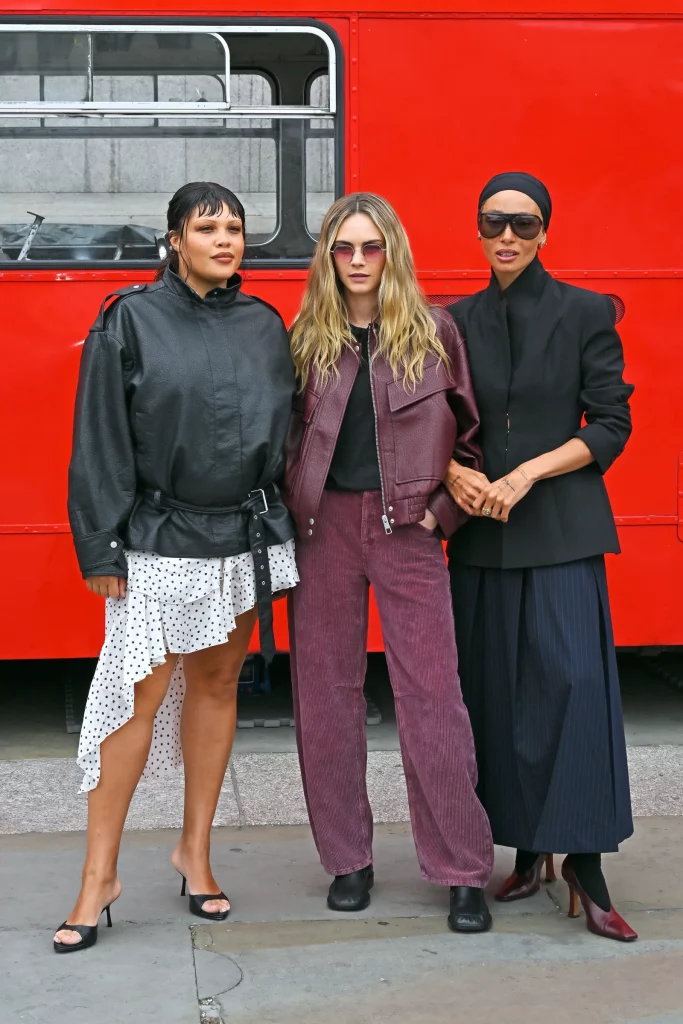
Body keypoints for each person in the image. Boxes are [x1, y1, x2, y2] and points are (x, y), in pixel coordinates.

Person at [54, 182, 297, 953]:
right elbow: (98, 434)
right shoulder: (128, 318)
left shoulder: (265, 324)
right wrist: (100, 545)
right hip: (158, 536)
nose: (225, 240)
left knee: (218, 687)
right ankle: (98, 876)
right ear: (174, 240)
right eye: (206, 227)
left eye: (235, 227)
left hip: (243, 537)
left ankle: (195, 854)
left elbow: (292, 434)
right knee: (135, 700)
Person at [283, 192, 494, 933]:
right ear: (328, 257)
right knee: (326, 698)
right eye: (344, 247)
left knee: (434, 697)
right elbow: (284, 440)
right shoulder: (306, 337)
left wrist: (440, 516)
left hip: (407, 530)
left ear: (392, 252)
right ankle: (348, 860)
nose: (358, 260)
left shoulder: (434, 333)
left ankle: (461, 868)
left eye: (371, 246)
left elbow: (470, 442)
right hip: (323, 532)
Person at [446, 172, 637, 942]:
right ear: (478, 229)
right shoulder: (452, 322)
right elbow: (429, 421)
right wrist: (454, 473)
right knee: (494, 698)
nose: (507, 236)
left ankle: (585, 865)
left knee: (574, 690)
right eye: (493, 222)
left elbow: (610, 423)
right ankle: (527, 852)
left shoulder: (585, 312)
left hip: (561, 528)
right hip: (481, 536)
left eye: (522, 224)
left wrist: (525, 473)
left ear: (544, 231)